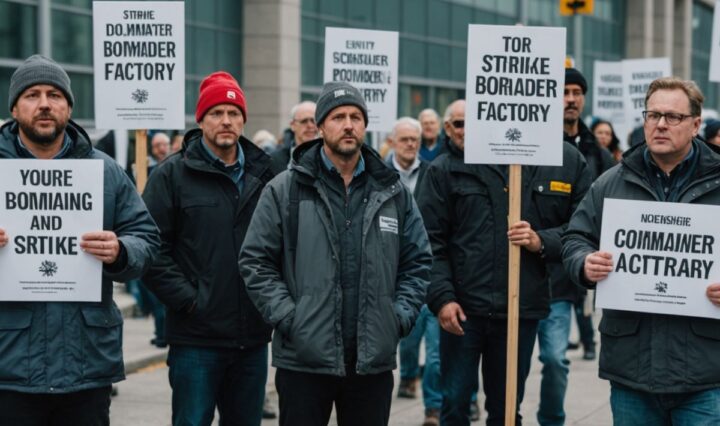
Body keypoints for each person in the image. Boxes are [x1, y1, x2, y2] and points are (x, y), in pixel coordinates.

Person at [239, 81, 432, 426]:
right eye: (339, 116)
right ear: (321, 126)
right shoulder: (285, 190)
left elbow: (417, 261)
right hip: (304, 359)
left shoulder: (392, 192)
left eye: (356, 117)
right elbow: (255, 261)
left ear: (365, 126)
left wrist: (398, 316)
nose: (348, 124)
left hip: (371, 360)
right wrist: (289, 318)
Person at [0, 54, 159, 424]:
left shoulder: (105, 171)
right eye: (32, 94)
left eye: (55, 95)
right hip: (9, 367)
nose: (44, 104)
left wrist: (120, 251)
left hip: (85, 367)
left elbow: (147, 240)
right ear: (14, 107)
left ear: (69, 107)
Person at [417, 99, 590, 425]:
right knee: (454, 403)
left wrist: (542, 241)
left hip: (519, 308)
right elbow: (428, 242)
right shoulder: (444, 169)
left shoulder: (565, 160)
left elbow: (584, 227)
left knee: (508, 408)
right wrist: (442, 298)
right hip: (462, 310)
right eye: (458, 124)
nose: (466, 131)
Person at [562, 76, 720, 425]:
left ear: (695, 125)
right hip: (632, 371)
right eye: (653, 115)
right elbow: (575, 239)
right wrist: (585, 264)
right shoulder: (610, 183)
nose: (660, 124)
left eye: (672, 117)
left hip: (705, 373)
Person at [142, 71, 275, 426]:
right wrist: (188, 300)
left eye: (234, 113)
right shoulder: (171, 176)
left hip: (252, 338)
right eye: (216, 113)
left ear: (244, 120)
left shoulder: (267, 175)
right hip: (195, 340)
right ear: (200, 120)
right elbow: (151, 248)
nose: (226, 121)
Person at [386, 117, 439, 426]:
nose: (410, 145)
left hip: (430, 271)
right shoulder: (378, 174)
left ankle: (433, 406)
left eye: (415, 140)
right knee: (408, 337)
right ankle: (407, 376)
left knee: (435, 353)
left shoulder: (433, 175)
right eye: (404, 139)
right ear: (392, 142)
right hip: (394, 273)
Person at [270, 101, 318, 174]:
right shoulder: (275, 160)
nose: (310, 126)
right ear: (292, 125)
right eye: (304, 121)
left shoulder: (330, 156)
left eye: (314, 121)